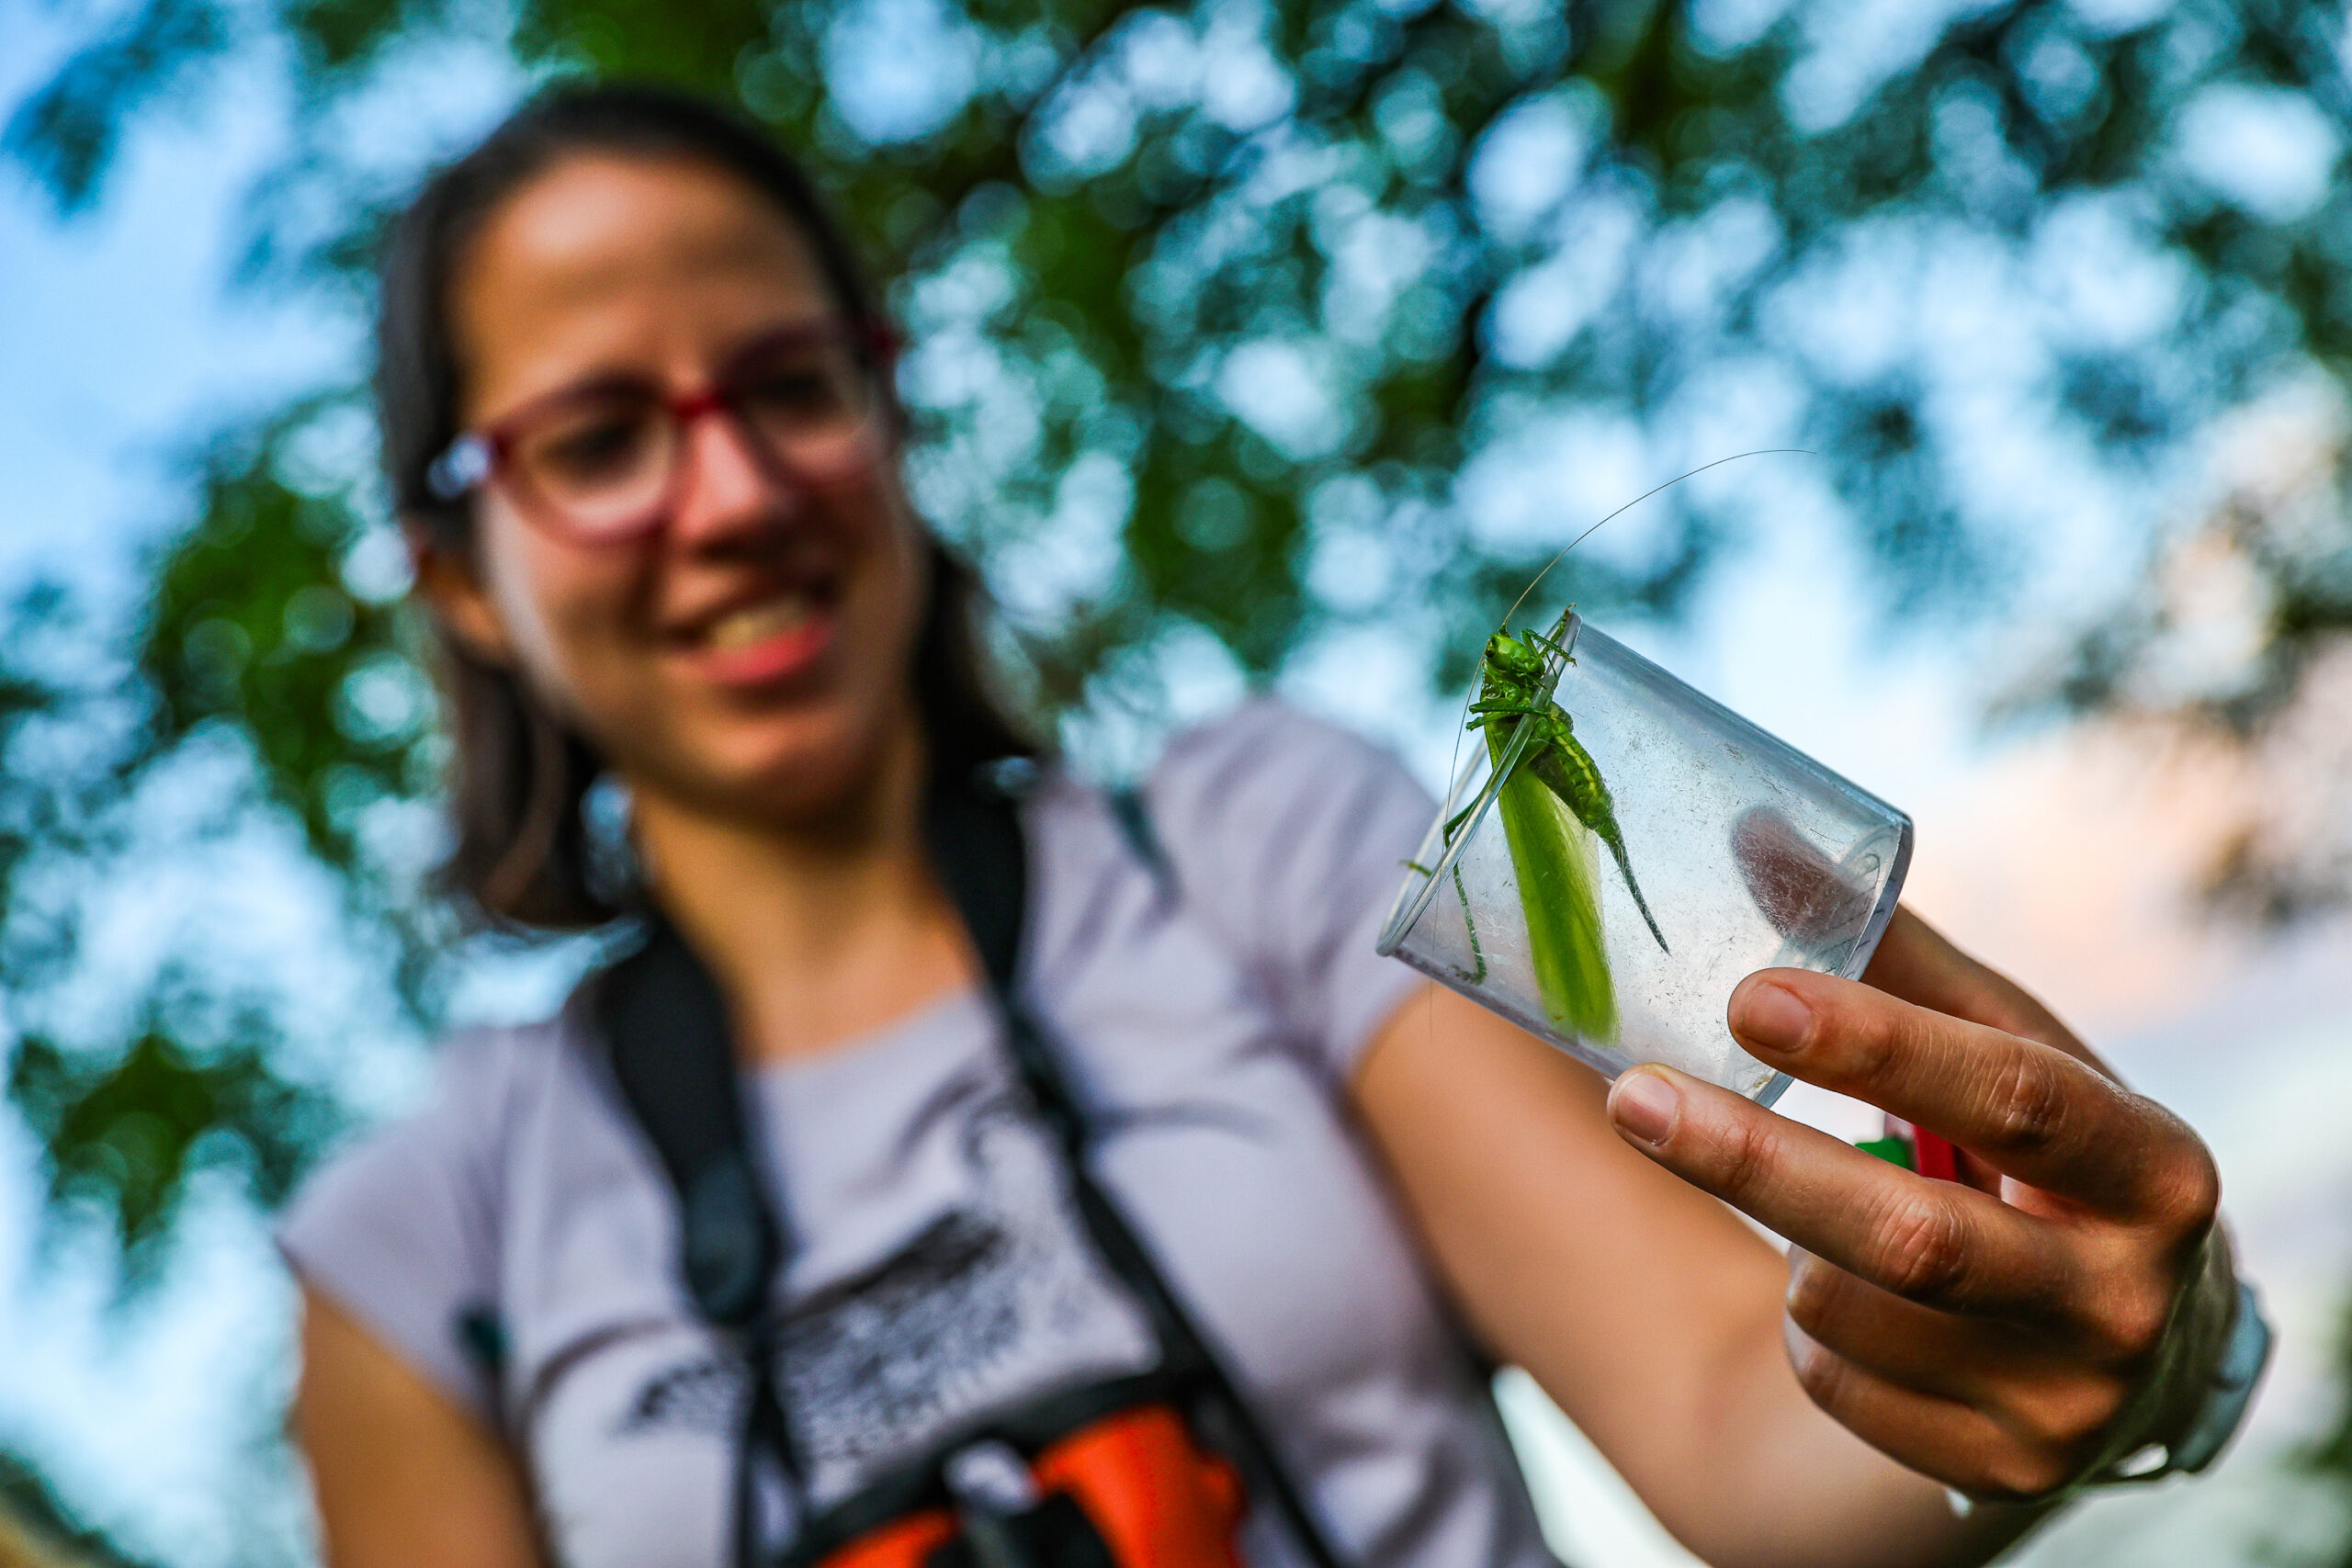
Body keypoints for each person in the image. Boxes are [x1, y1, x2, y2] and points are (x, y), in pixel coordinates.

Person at [279, 82, 2260, 1568]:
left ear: (887, 417)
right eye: (599, 438)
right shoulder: (424, 1226)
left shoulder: (1247, 845)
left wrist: (2077, 1352)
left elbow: (1739, 1408)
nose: (725, 495)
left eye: (787, 384)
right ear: (455, 565)